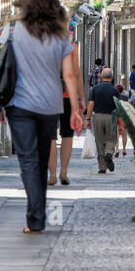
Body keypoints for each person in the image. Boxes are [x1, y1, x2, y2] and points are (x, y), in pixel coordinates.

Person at [0, 0, 84, 234]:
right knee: (42, 158)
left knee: (28, 160)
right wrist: (76, 108)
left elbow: (2, 69)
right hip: (51, 106)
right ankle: (37, 214)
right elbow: (69, 75)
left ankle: (36, 217)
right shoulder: (61, 35)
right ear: (54, 5)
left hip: (19, 105)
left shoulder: (11, 30)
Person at [49, 27, 86, 186]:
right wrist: (81, 97)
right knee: (67, 134)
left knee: (50, 136)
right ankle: (63, 172)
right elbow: (75, 73)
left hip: (48, 96)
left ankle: (51, 175)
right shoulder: (70, 46)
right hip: (67, 95)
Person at [86, 67, 120, 173]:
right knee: (111, 138)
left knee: (99, 141)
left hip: (98, 117)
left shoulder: (95, 89)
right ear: (112, 77)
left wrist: (88, 119)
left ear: (101, 77)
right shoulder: (115, 90)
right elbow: (118, 106)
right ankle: (109, 153)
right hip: (111, 117)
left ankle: (102, 167)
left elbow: (91, 105)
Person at [114, 83, 130, 156]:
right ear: (122, 90)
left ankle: (117, 149)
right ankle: (124, 149)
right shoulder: (126, 98)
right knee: (124, 134)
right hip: (123, 117)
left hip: (116, 116)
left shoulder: (113, 98)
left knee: (116, 134)